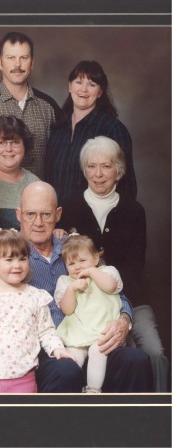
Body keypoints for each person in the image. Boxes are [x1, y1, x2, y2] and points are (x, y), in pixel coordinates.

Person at [0, 181, 153, 393]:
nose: (38, 222)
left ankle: (128, 426)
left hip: (94, 341)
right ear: (18, 214)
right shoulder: (5, 257)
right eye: (30, 214)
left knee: (136, 360)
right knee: (66, 371)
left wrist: (124, 319)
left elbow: (113, 290)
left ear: (58, 214)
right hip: (42, 353)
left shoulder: (74, 246)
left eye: (46, 214)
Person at [58, 135, 168, 392]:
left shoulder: (134, 211)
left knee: (154, 352)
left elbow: (133, 266)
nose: (98, 174)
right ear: (84, 170)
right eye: (91, 166)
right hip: (84, 304)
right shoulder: (69, 208)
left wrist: (123, 314)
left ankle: (164, 419)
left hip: (129, 297)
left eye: (106, 166)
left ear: (119, 172)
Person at [0, 228, 75, 394]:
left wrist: (57, 348)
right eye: (9, 259)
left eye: (22, 259)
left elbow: (46, 331)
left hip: (24, 382)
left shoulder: (35, 297)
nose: (17, 265)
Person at [0, 31, 61, 179]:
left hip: (39, 198)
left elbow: (61, 159)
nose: (17, 65)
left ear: (32, 63)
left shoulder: (49, 106)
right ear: (0, 62)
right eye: (11, 58)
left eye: (24, 58)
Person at [45, 60, 137, 204]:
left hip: (93, 221)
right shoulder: (57, 127)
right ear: (70, 86)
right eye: (79, 82)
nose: (84, 89)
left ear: (100, 92)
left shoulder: (112, 129)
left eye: (92, 84)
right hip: (55, 219)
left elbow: (127, 185)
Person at [55, 232, 124, 393]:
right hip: (78, 330)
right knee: (72, 358)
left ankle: (93, 390)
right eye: (71, 263)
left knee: (97, 350)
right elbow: (67, 309)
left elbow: (110, 287)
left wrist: (92, 272)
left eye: (82, 261)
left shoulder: (108, 271)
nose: (77, 266)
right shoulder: (65, 281)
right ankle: (72, 391)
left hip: (102, 329)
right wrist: (72, 289)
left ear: (95, 258)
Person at [0, 115, 39, 229]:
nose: (8, 149)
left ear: (24, 146)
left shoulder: (35, 185)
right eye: (1, 143)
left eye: (15, 142)